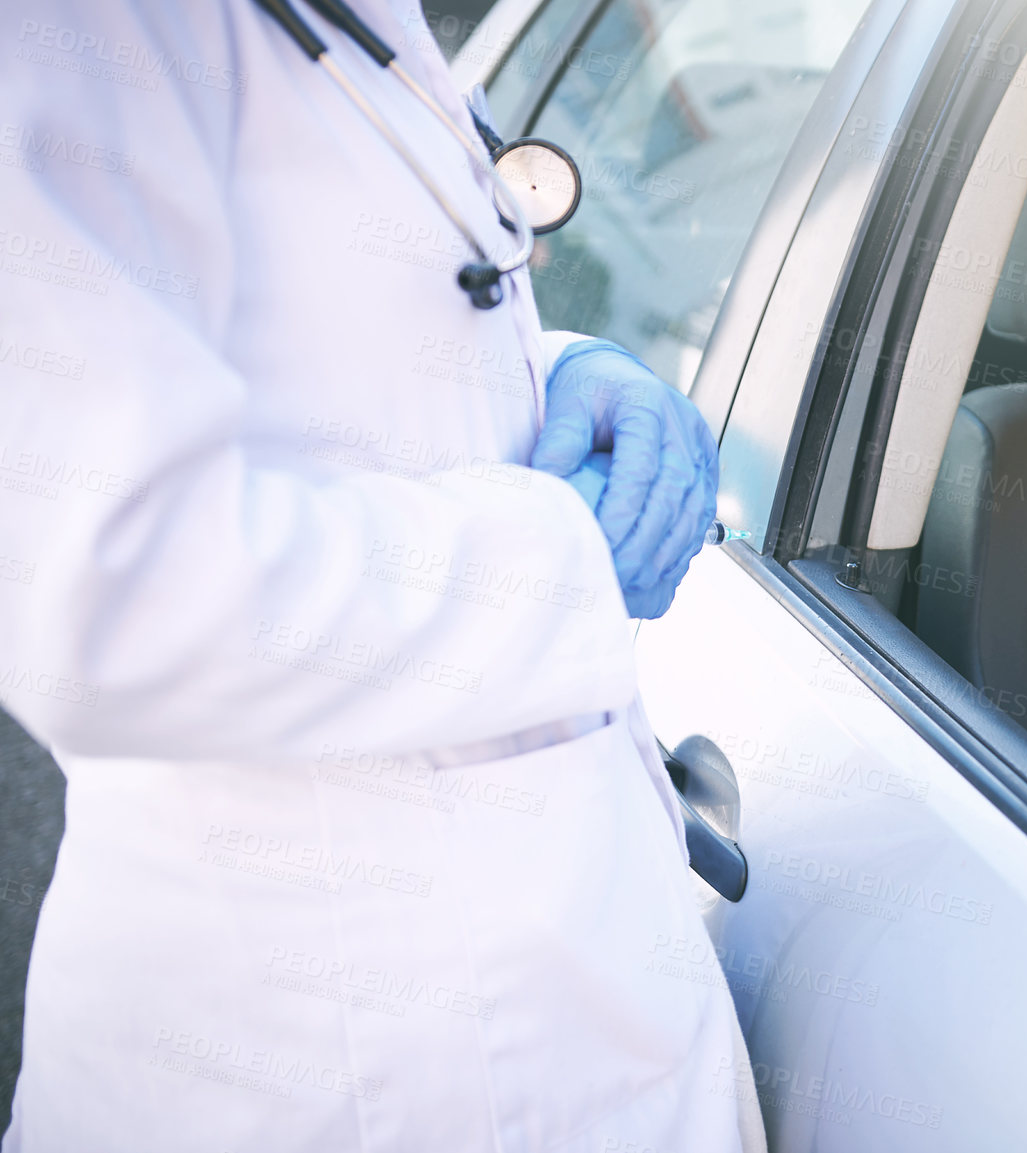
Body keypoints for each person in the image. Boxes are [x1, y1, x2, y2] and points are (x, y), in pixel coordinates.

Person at [0, 2, 763, 1149]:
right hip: (325, 1061)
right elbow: (112, 596)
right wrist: (561, 554)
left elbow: (342, 359)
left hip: (563, 1004)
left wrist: (563, 371)